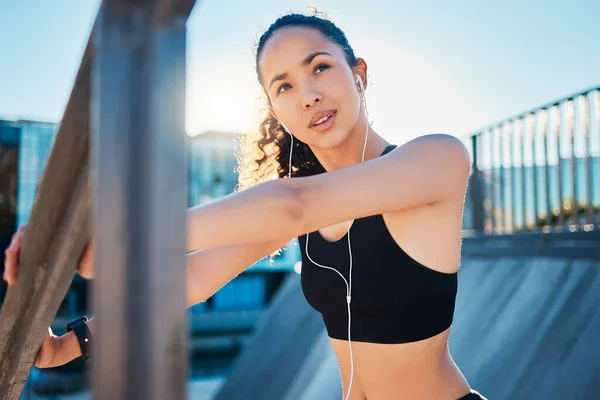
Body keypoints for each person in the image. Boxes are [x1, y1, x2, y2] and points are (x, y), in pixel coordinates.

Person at [4, 11, 487, 400]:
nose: (310, 94)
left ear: (358, 74)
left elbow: (292, 204)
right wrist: (68, 344)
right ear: (274, 109)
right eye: (284, 86)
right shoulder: (304, 203)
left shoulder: (435, 159)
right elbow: (190, 279)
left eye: (320, 67)